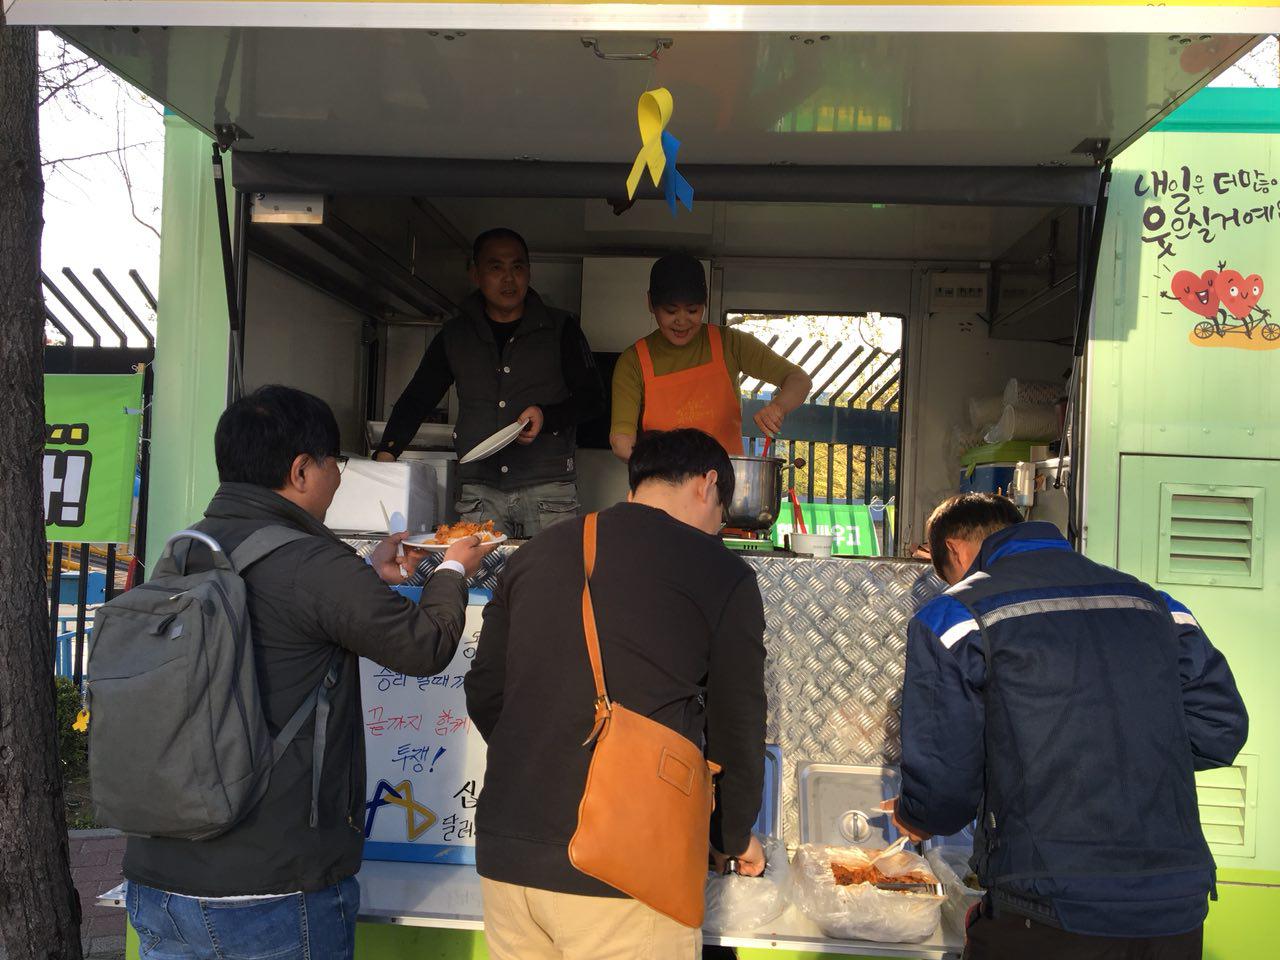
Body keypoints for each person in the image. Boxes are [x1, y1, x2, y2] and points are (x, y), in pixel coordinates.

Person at [124, 385, 493, 960]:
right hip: (270, 890)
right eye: (333, 462)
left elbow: (284, 622)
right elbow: (425, 648)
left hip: (159, 882)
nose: (338, 476)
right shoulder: (311, 561)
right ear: (301, 470)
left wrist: (363, 575)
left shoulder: (186, 550)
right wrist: (451, 570)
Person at [883, 493, 1248, 960]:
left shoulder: (955, 615)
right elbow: (1220, 729)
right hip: (1174, 908)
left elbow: (943, 788)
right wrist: (1122, 750)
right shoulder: (1156, 604)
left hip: (1047, 907)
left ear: (954, 550)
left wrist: (916, 815)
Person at [465, 429, 769, 959]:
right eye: (721, 514)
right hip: (626, 868)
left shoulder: (536, 553)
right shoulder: (722, 573)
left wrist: (555, 754)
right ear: (707, 484)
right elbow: (736, 727)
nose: (717, 529)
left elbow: (486, 690)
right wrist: (732, 835)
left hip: (509, 860)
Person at [375, 228, 604, 538]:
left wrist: (547, 416)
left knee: (553, 569)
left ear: (529, 272)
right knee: (477, 570)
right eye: (496, 267)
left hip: (548, 488)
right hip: (479, 491)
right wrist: (386, 455)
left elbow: (593, 400)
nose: (509, 278)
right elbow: (418, 398)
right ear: (476, 274)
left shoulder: (561, 328)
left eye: (517, 267)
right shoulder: (456, 334)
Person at [608, 254, 812, 461]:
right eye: (670, 311)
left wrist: (778, 406)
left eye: (692, 310)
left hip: (723, 479)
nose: (682, 321)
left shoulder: (730, 343)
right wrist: (662, 470)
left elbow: (799, 379)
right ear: (651, 303)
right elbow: (621, 441)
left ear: (705, 304)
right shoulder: (634, 361)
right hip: (661, 479)